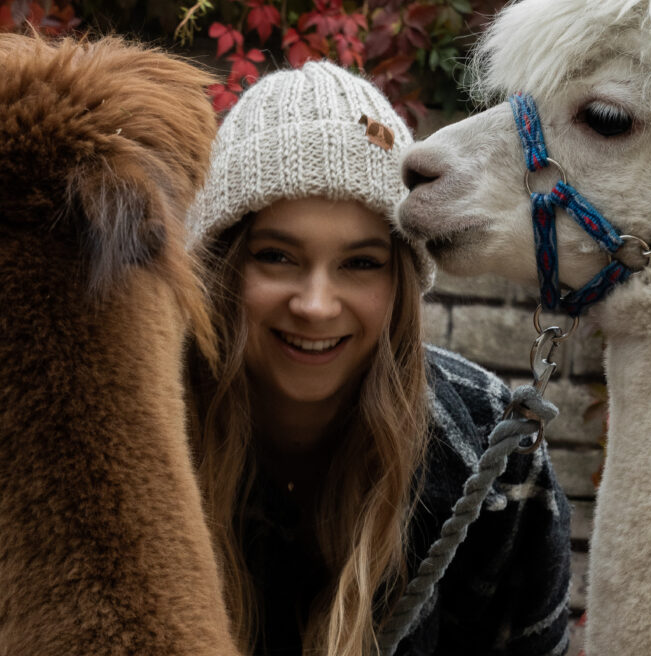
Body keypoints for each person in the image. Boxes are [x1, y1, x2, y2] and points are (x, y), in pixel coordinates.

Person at [184, 61, 571, 656]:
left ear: (401, 283)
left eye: (360, 262)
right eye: (276, 257)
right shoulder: (139, 435)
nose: (315, 304)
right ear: (222, 265)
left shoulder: (494, 455)